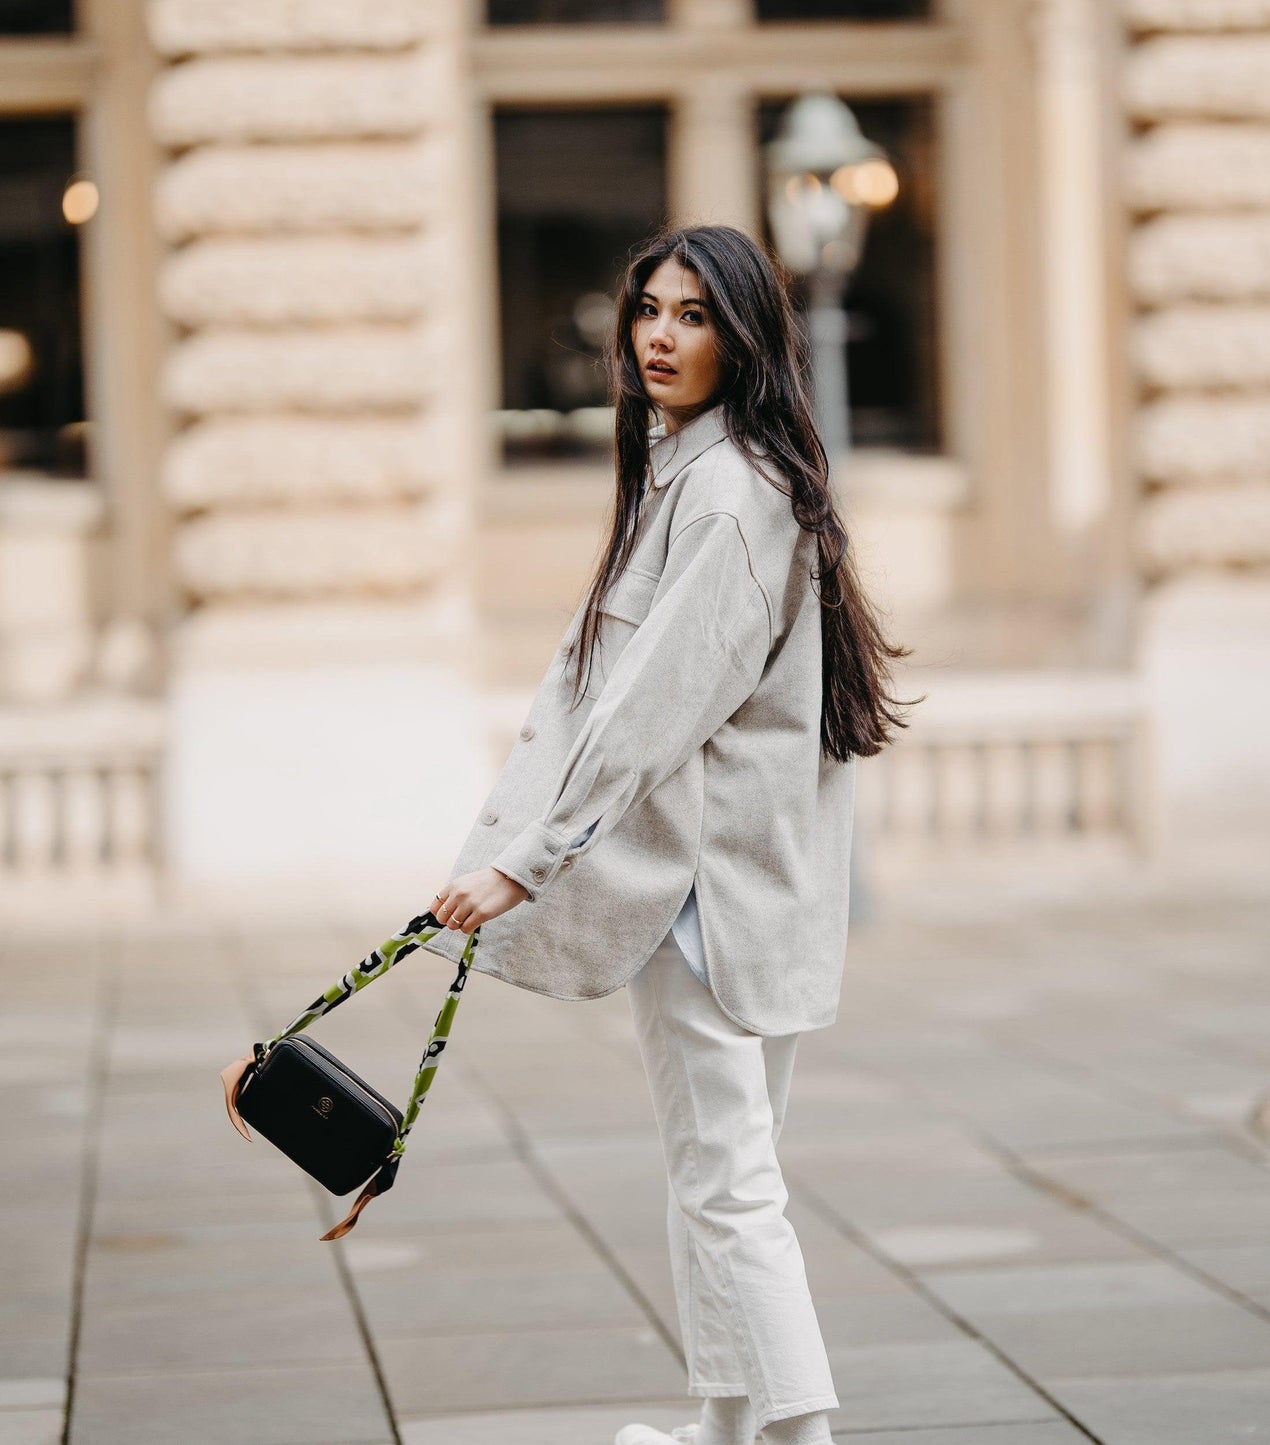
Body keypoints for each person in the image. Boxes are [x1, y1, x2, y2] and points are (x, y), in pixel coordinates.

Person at [425, 223, 918, 1445]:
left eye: (693, 314)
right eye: (648, 306)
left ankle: (792, 1431)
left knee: (729, 1180)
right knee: (722, 1170)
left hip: (705, 898)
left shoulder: (727, 492)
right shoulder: (705, 473)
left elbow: (647, 709)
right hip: (735, 889)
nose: (657, 333)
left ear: (742, 334)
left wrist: (522, 860)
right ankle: (720, 1419)